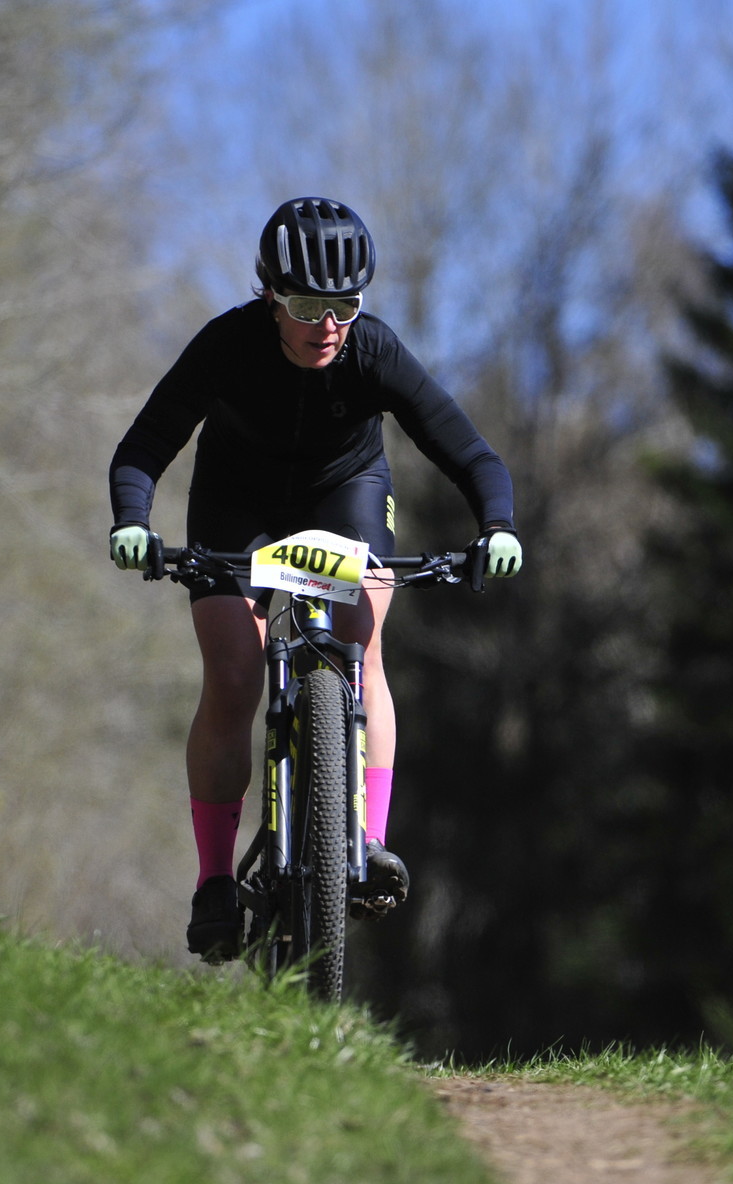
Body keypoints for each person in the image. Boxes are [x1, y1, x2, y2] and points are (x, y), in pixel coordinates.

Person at [107, 197, 523, 963]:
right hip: (237, 503)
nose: (328, 325)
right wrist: (133, 520)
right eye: (306, 306)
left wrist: (496, 525)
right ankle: (214, 879)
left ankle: (365, 845)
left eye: (345, 305)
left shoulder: (374, 352)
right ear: (270, 295)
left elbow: (472, 454)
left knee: (363, 643)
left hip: (345, 496)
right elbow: (144, 445)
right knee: (234, 671)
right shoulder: (228, 345)